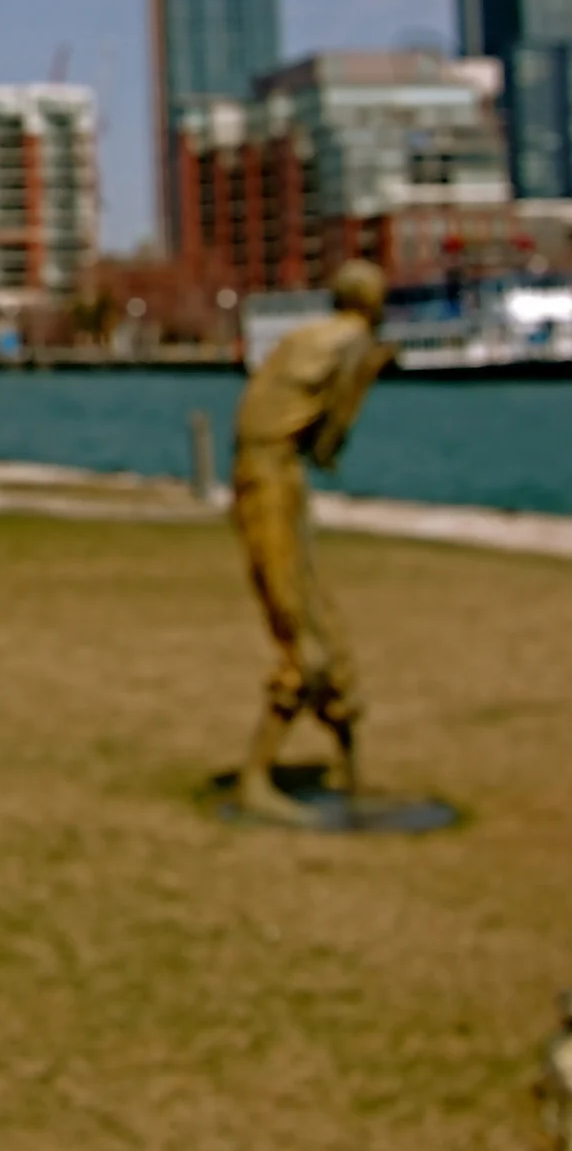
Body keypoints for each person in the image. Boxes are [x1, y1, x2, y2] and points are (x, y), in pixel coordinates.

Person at [230, 257, 390, 821]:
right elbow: (326, 447)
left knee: (325, 627)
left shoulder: (304, 336)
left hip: (268, 479)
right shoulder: (354, 345)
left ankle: (351, 773)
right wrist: (365, 381)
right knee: (306, 642)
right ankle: (254, 779)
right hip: (270, 483)